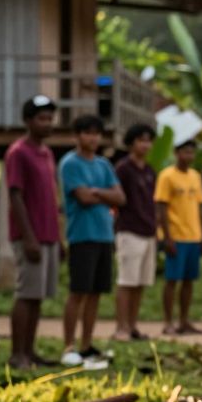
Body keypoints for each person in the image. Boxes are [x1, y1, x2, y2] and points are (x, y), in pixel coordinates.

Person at [58, 115, 125, 366]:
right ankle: (68, 346)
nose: (93, 138)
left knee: (96, 293)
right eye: (87, 133)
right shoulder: (70, 164)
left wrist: (96, 192)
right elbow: (83, 198)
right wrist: (103, 195)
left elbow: (120, 198)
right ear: (77, 135)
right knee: (78, 291)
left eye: (97, 133)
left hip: (104, 235)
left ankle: (86, 346)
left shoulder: (104, 165)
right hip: (81, 236)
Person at [5, 96, 63, 369]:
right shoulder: (18, 152)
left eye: (50, 118)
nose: (48, 123)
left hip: (49, 234)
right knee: (26, 293)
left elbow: (50, 196)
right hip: (30, 236)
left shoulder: (47, 153)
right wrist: (28, 237)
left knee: (38, 296)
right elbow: (15, 195)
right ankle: (17, 354)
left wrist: (59, 237)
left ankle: (30, 350)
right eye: (42, 118)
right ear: (28, 121)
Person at [155, 141, 202, 335]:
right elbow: (161, 207)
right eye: (186, 152)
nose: (189, 156)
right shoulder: (166, 176)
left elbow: (200, 207)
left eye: (192, 153)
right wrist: (166, 237)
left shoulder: (196, 176)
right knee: (172, 280)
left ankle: (184, 321)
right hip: (175, 236)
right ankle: (168, 321)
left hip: (194, 235)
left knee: (189, 281)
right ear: (177, 153)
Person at [113, 124, 157, 342]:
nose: (145, 145)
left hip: (148, 231)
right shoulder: (123, 168)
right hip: (129, 230)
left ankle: (132, 325)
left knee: (140, 283)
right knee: (126, 281)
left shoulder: (149, 171)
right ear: (131, 143)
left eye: (148, 140)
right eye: (141, 140)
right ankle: (121, 327)